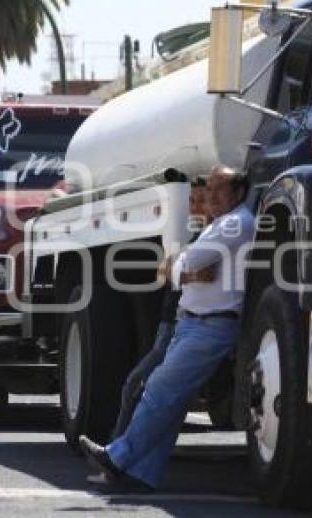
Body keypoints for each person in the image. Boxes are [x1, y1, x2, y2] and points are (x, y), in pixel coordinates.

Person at [79, 165, 255, 493]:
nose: (211, 198)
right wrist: (182, 266)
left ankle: (117, 457)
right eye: (210, 190)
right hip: (193, 322)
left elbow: (185, 264)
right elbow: (178, 268)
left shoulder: (235, 224)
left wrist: (181, 266)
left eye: (220, 190)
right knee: (170, 403)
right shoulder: (222, 224)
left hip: (210, 325)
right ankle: (143, 474)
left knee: (158, 390)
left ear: (240, 193)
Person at [110, 179, 211, 439]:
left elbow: (202, 274)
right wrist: (178, 269)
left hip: (182, 326)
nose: (195, 207)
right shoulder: (197, 237)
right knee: (148, 390)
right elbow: (163, 271)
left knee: (139, 386)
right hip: (170, 323)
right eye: (191, 201)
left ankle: (118, 449)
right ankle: (122, 451)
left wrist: (178, 270)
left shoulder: (215, 237)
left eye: (201, 200)